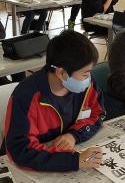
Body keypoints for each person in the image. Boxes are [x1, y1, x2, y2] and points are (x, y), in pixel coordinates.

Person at [3, 30, 104, 171]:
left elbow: (97, 114)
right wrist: (75, 161)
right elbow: (20, 150)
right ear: (61, 73)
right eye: (85, 73)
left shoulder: (85, 85)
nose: (89, 78)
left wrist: (73, 135)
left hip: (60, 151)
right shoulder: (26, 95)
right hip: (28, 164)